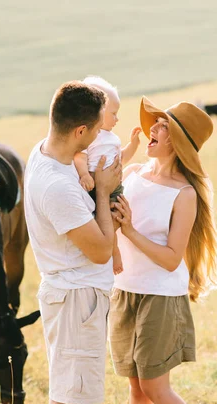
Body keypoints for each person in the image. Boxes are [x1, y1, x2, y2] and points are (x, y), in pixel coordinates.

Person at [109, 96, 217, 404]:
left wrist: (129, 233)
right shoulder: (135, 172)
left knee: (156, 387)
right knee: (136, 389)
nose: (151, 132)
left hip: (160, 296)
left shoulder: (184, 195)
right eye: (155, 125)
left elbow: (171, 257)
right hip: (126, 292)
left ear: (175, 141)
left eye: (160, 128)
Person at [22, 81, 121, 404]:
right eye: (98, 130)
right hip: (77, 297)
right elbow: (101, 251)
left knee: (72, 401)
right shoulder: (58, 186)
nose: (102, 137)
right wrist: (103, 192)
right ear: (81, 130)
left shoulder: (46, 153)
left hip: (75, 295)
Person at [74, 76, 141, 275]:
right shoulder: (89, 135)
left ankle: (112, 247)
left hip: (115, 186)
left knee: (119, 216)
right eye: (113, 113)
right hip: (94, 186)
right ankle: (113, 250)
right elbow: (80, 157)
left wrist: (134, 145)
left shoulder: (112, 138)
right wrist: (85, 175)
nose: (117, 119)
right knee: (104, 222)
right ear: (99, 112)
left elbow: (121, 159)